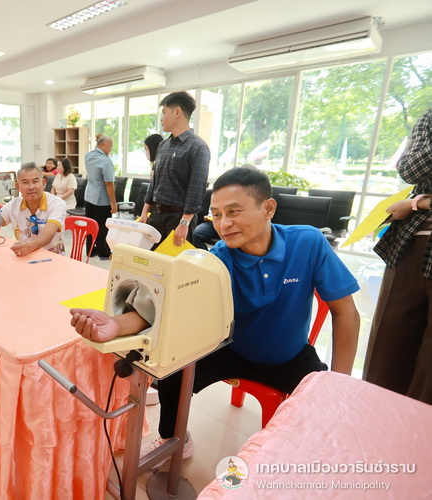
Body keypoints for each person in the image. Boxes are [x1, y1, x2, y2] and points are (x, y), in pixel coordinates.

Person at [71, 167, 360, 464]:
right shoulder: (217, 259)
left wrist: (339, 381)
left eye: (234, 212)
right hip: (230, 349)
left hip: (290, 356)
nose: (224, 224)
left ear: (268, 208)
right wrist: (117, 324)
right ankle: (174, 439)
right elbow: (168, 308)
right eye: (217, 215)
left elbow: (345, 313)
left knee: (327, 416)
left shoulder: (308, 243)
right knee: (173, 372)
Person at [364, 106, 432, 405]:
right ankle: (378, 414)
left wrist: (420, 203)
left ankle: (419, 426)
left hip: (417, 219)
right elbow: (409, 168)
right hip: (412, 241)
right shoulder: (430, 116)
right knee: (388, 345)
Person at [140, 91, 210, 248]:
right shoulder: (163, 146)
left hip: (179, 219)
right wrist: (145, 212)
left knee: (174, 261)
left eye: (164, 112)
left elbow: (196, 190)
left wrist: (184, 223)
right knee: (151, 259)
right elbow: (154, 183)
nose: (162, 118)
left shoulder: (198, 147)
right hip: (156, 216)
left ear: (177, 112)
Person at [0, 162, 67, 257]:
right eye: (25, 182)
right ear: (18, 186)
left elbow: (48, 236)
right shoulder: (13, 205)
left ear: (43, 183)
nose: (31, 187)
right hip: (25, 255)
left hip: (53, 258)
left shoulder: (57, 203)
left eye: (35, 181)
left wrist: (28, 247)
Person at [84, 135, 117, 259]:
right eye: (110, 147)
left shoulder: (88, 156)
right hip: (101, 200)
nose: (110, 150)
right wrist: (113, 203)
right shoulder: (106, 161)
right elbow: (109, 183)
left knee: (90, 225)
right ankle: (104, 253)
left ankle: (90, 250)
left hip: (89, 196)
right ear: (103, 145)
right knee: (103, 227)